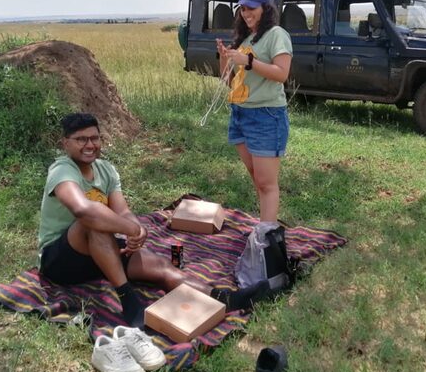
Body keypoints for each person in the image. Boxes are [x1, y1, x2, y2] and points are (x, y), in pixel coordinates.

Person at [37, 112, 269, 330]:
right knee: (94, 221)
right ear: (65, 143)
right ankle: (128, 300)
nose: (90, 145)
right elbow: (83, 210)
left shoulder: (105, 170)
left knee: (159, 266)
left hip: (99, 256)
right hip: (60, 261)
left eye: (94, 138)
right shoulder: (62, 169)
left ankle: (225, 298)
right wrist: (127, 227)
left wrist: (137, 230)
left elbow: (123, 211)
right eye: (81, 139)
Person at [215, 0, 293, 232]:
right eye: (243, 9)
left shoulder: (277, 34)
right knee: (257, 179)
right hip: (241, 114)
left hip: (266, 115)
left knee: (267, 184)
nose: (246, 14)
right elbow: (229, 81)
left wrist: (248, 61)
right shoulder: (246, 38)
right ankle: (265, 228)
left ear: (265, 8)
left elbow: (282, 74)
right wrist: (225, 58)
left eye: (251, 9)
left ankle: (266, 241)